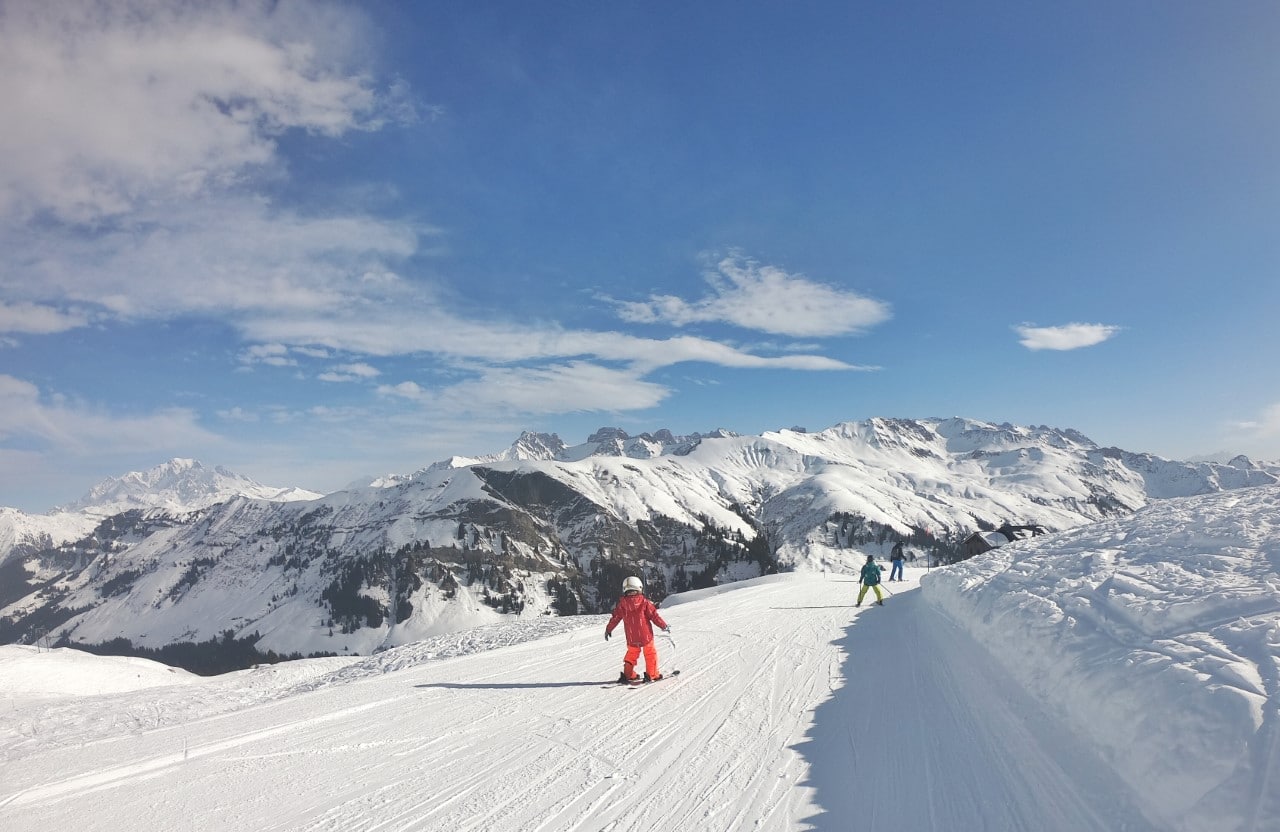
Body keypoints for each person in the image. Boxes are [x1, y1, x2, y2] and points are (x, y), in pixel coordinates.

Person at [605, 576, 670, 682]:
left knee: (632, 653)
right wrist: (663, 625)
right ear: (639, 587)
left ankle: (628, 674)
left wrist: (609, 629)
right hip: (646, 636)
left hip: (631, 636)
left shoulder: (622, 605)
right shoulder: (644, 602)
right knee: (650, 653)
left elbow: (615, 618)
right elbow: (654, 616)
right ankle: (652, 674)